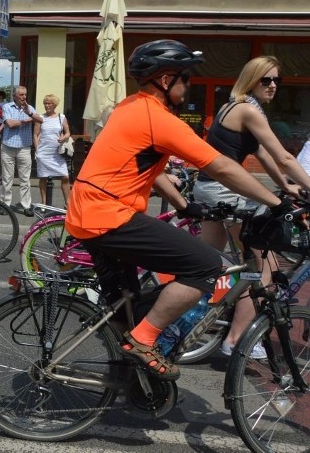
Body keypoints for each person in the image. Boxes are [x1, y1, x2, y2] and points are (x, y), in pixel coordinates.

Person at [66, 40, 286, 381]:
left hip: (88, 212)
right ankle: (144, 340)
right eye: (186, 78)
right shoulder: (158, 119)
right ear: (166, 81)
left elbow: (148, 169)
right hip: (109, 215)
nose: (190, 85)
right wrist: (277, 202)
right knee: (206, 266)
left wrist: (186, 205)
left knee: (126, 300)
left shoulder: (130, 106)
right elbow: (222, 168)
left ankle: (129, 379)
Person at [192, 56, 310, 358]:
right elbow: (283, 157)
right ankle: (236, 339)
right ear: (251, 80)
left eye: (276, 81)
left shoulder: (232, 106)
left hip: (209, 188)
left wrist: (285, 186)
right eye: (265, 80)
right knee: (261, 266)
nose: (272, 86)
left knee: (207, 263)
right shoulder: (248, 110)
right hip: (225, 191)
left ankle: (183, 317)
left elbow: (264, 155)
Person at [0, 86, 43, 216]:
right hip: (8, 147)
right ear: (14, 96)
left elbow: (39, 120)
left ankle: (26, 206)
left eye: (25, 95)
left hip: (24, 147)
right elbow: (10, 124)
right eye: (21, 95)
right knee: (7, 179)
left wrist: (30, 115)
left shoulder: (30, 109)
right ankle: (5, 205)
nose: (24, 97)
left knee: (25, 179)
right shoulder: (7, 107)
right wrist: (26, 120)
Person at [33, 94, 71, 206]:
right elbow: (35, 135)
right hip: (43, 153)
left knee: (65, 176)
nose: (47, 105)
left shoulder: (61, 117)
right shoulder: (40, 118)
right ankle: (44, 203)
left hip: (58, 153)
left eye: (49, 103)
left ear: (54, 105)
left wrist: (64, 137)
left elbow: (68, 132)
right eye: (45, 103)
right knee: (43, 177)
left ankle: (67, 203)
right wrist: (37, 150)